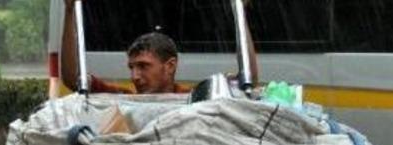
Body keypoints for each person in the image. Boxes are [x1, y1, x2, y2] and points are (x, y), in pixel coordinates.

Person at [60, 0, 259, 94]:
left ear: (170, 65)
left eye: (143, 66)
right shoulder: (125, 98)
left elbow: (248, 79)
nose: (134, 77)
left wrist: (239, 9)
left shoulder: (192, 97)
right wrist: (69, 11)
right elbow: (72, 79)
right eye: (132, 67)